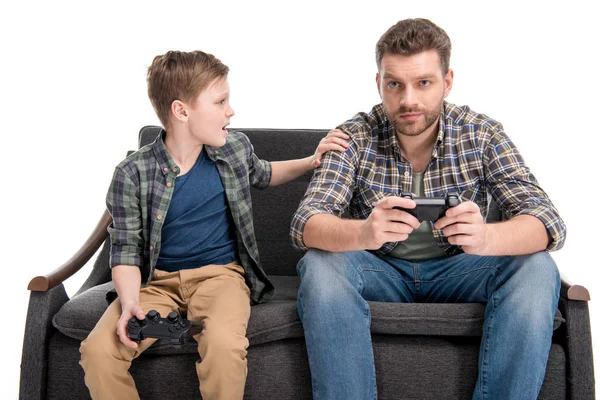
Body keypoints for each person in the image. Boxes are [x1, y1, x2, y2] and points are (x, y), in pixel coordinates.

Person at [290, 18, 566, 400]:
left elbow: (547, 221)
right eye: (395, 85)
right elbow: (306, 222)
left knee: (537, 266)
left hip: (461, 268)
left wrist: (485, 236)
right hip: (378, 268)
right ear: (379, 84)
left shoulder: (481, 133)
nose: (408, 101)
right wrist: (364, 232)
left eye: (423, 83)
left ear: (447, 81)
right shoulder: (354, 135)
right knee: (321, 265)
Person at [78, 50, 349, 400]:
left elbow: (265, 173)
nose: (231, 111)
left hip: (221, 277)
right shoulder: (132, 174)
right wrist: (131, 303)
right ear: (181, 111)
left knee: (224, 346)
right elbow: (125, 251)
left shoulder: (233, 148)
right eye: (220, 101)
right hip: (156, 284)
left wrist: (312, 161)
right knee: (98, 351)